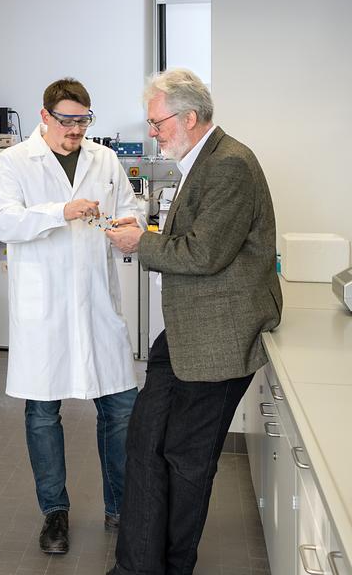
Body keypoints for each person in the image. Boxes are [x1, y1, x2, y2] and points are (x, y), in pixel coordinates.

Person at [104, 68, 282, 575]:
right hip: (185, 333)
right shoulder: (199, 163)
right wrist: (146, 230)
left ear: (188, 117)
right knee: (145, 442)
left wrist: (142, 243)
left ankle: (173, 565)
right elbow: (196, 240)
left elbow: (204, 253)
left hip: (220, 341)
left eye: (157, 123)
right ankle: (137, 565)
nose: (153, 133)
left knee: (186, 460)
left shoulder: (230, 165)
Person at [0, 78, 145, 554]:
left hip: (97, 303)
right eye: (67, 120)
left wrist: (127, 222)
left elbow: (130, 206)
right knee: (42, 413)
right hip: (44, 309)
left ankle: (120, 507)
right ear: (45, 116)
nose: (76, 130)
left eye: (83, 120)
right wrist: (62, 211)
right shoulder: (12, 162)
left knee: (119, 408)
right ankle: (55, 514)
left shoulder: (105, 159)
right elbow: (5, 221)